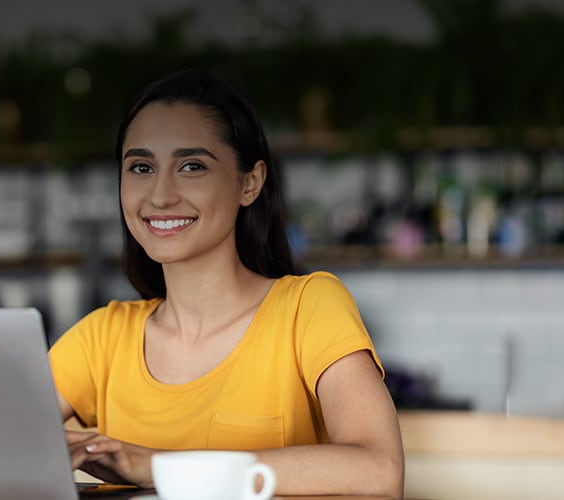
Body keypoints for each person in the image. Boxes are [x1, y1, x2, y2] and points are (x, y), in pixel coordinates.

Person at [48, 70, 404, 497]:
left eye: (192, 166)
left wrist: (155, 466)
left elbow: (379, 472)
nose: (160, 195)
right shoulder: (101, 338)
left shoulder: (308, 308)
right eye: (141, 166)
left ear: (249, 183)